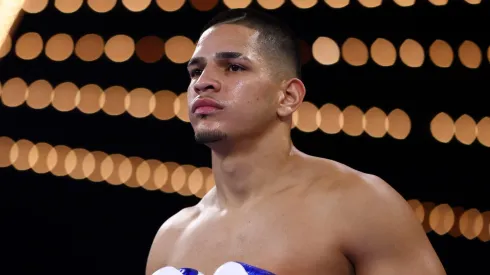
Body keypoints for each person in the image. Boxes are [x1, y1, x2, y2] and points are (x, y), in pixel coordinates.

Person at [146, 8, 446, 275]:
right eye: (196, 71)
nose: (202, 82)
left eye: (234, 67)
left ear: (288, 97)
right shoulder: (171, 237)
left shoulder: (357, 205)